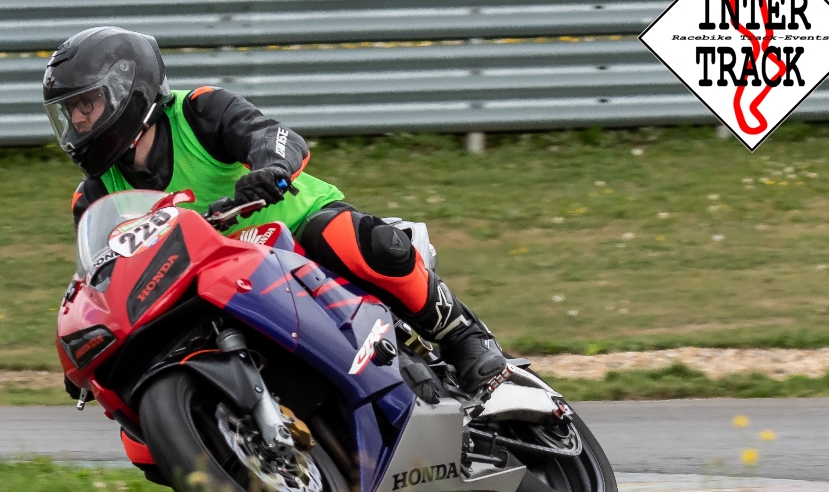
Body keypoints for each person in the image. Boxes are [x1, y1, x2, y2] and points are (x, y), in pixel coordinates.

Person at [44, 27, 508, 465]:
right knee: (142, 440)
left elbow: (272, 136)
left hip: (291, 231)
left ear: (128, 91)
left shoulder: (198, 112)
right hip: (211, 284)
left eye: (87, 103)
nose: (78, 120)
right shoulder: (93, 197)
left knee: (350, 239)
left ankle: (463, 336)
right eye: (70, 111)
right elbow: (104, 275)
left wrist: (270, 169)